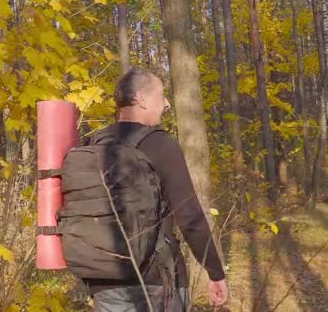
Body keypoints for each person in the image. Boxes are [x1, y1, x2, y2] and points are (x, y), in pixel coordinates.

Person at [86, 67, 228, 311]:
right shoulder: (161, 144)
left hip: (105, 281)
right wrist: (215, 271)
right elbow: (189, 216)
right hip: (157, 280)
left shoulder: (93, 144)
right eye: (161, 96)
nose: (166, 103)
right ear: (141, 99)